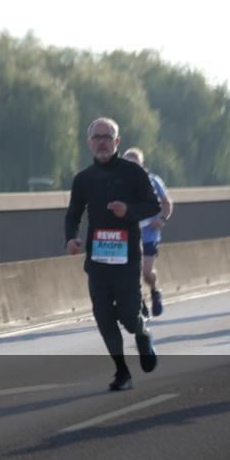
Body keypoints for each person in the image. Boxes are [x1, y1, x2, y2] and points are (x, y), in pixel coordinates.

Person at [65, 118, 161, 392]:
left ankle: (142, 334)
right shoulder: (83, 179)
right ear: (89, 143)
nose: (102, 142)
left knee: (129, 318)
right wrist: (71, 238)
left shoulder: (133, 172)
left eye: (108, 137)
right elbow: (73, 214)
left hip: (127, 257)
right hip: (97, 261)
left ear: (117, 141)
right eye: (97, 138)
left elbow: (152, 205)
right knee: (104, 317)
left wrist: (127, 211)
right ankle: (122, 372)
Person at [122, 148, 174, 317]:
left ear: (142, 165)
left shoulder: (153, 180)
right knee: (131, 273)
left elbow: (167, 203)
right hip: (129, 234)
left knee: (146, 273)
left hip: (149, 233)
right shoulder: (119, 183)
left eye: (134, 163)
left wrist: (162, 219)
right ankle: (139, 302)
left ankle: (154, 289)